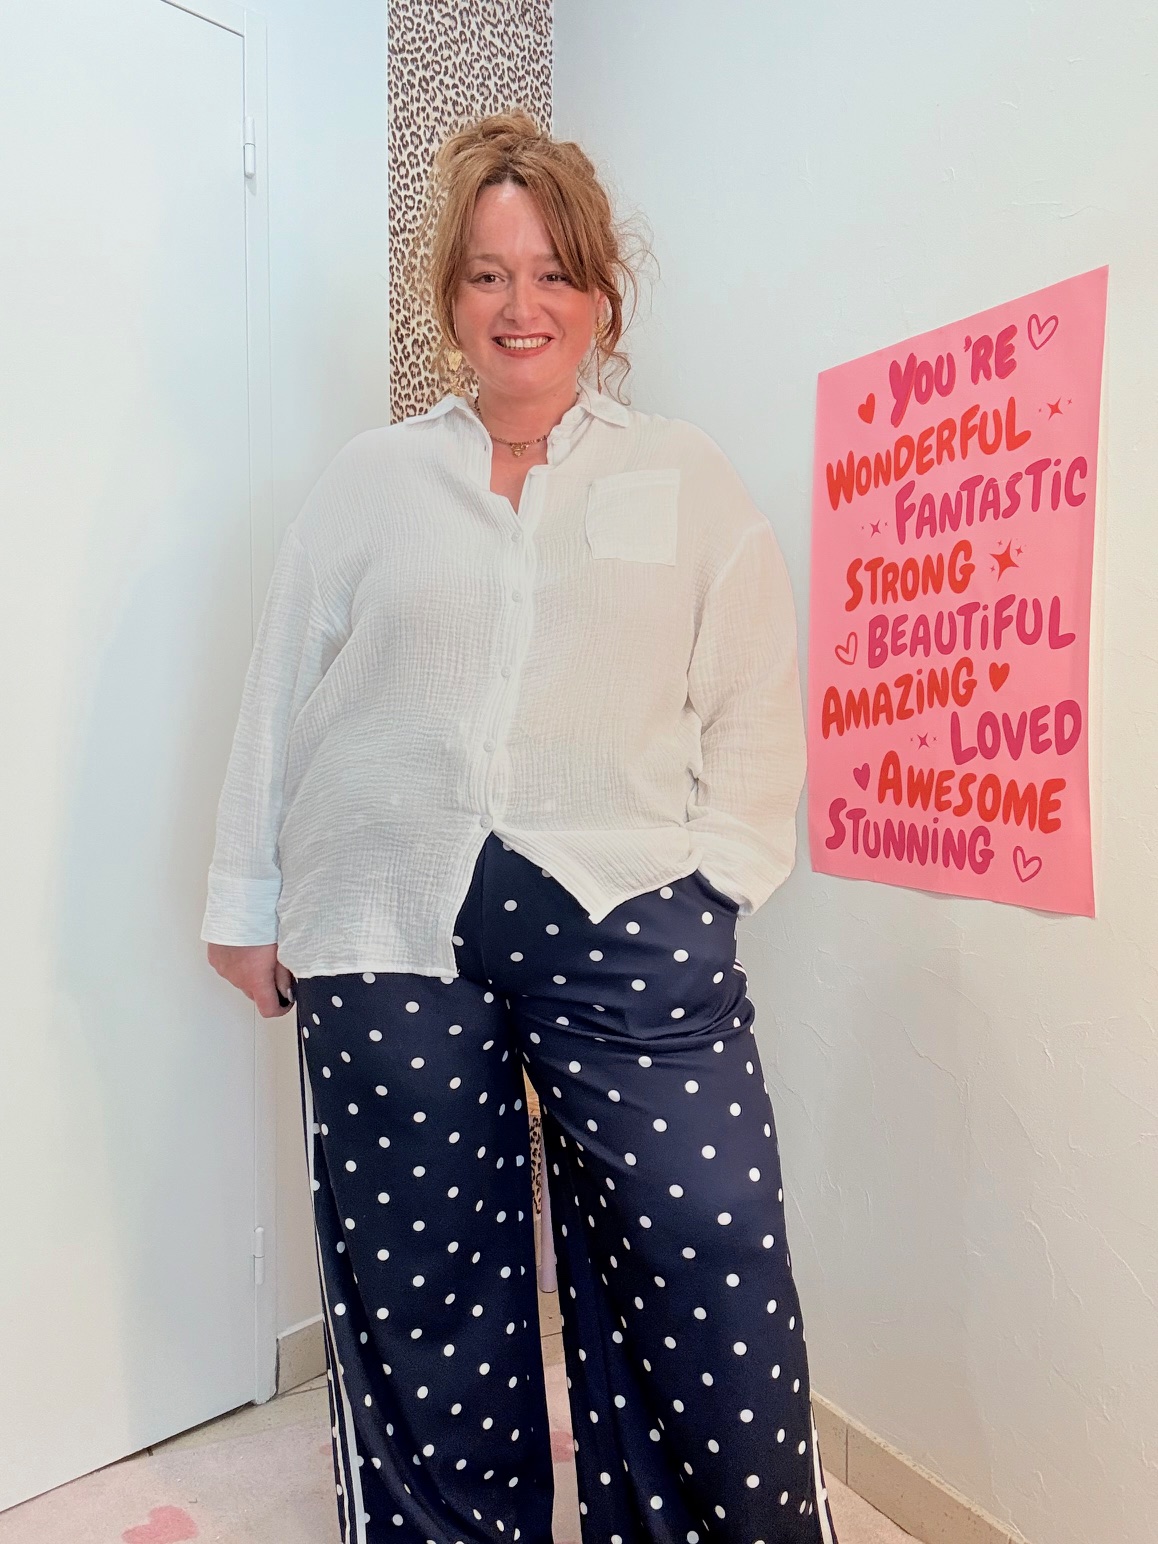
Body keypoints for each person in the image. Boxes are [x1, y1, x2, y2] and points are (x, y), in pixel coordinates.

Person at [202, 110, 837, 1544]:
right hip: (383, 916)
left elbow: (751, 688)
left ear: (602, 294)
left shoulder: (681, 474)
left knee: (707, 1253)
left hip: (624, 908)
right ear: (450, 299)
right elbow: (280, 686)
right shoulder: (371, 481)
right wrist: (246, 901)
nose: (519, 305)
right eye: (488, 275)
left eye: (551, 273)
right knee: (419, 1279)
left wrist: (723, 879)